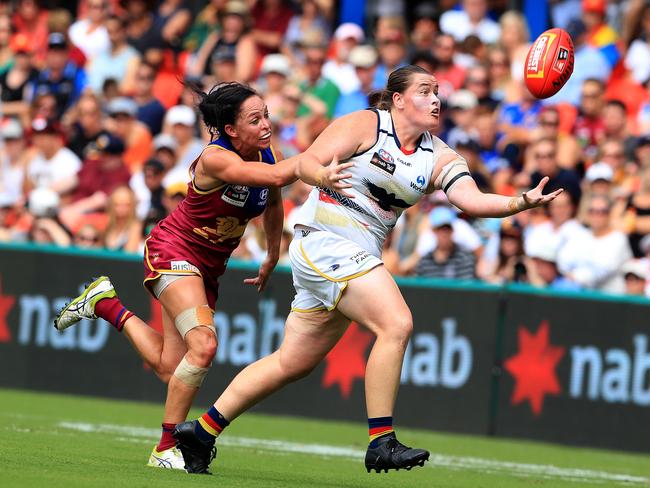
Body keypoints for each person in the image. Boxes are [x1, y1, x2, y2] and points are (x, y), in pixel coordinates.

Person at [169, 65, 562, 475]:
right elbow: (307, 162)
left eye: (437, 92)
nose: (435, 99)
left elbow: (472, 200)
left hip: (357, 252)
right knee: (396, 324)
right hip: (324, 238)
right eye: (425, 91)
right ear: (397, 99)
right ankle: (381, 441)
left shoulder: (438, 154)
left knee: (292, 362)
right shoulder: (365, 124)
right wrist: (321, 174)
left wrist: (519, 202)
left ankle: (201, 432)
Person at [53, 81, 350, 470]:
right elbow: (279, 178)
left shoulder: (265, 151)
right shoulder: (215, 159)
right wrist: (314, 168)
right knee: (204, 347)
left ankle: (104, 304)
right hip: (173, 251)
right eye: (255, 119)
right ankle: (165, 449)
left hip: (206, 268)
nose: (266, 125)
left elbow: (274, 201)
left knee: (169, 367)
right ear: (229, 128)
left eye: (267, 116)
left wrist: (272, 252)